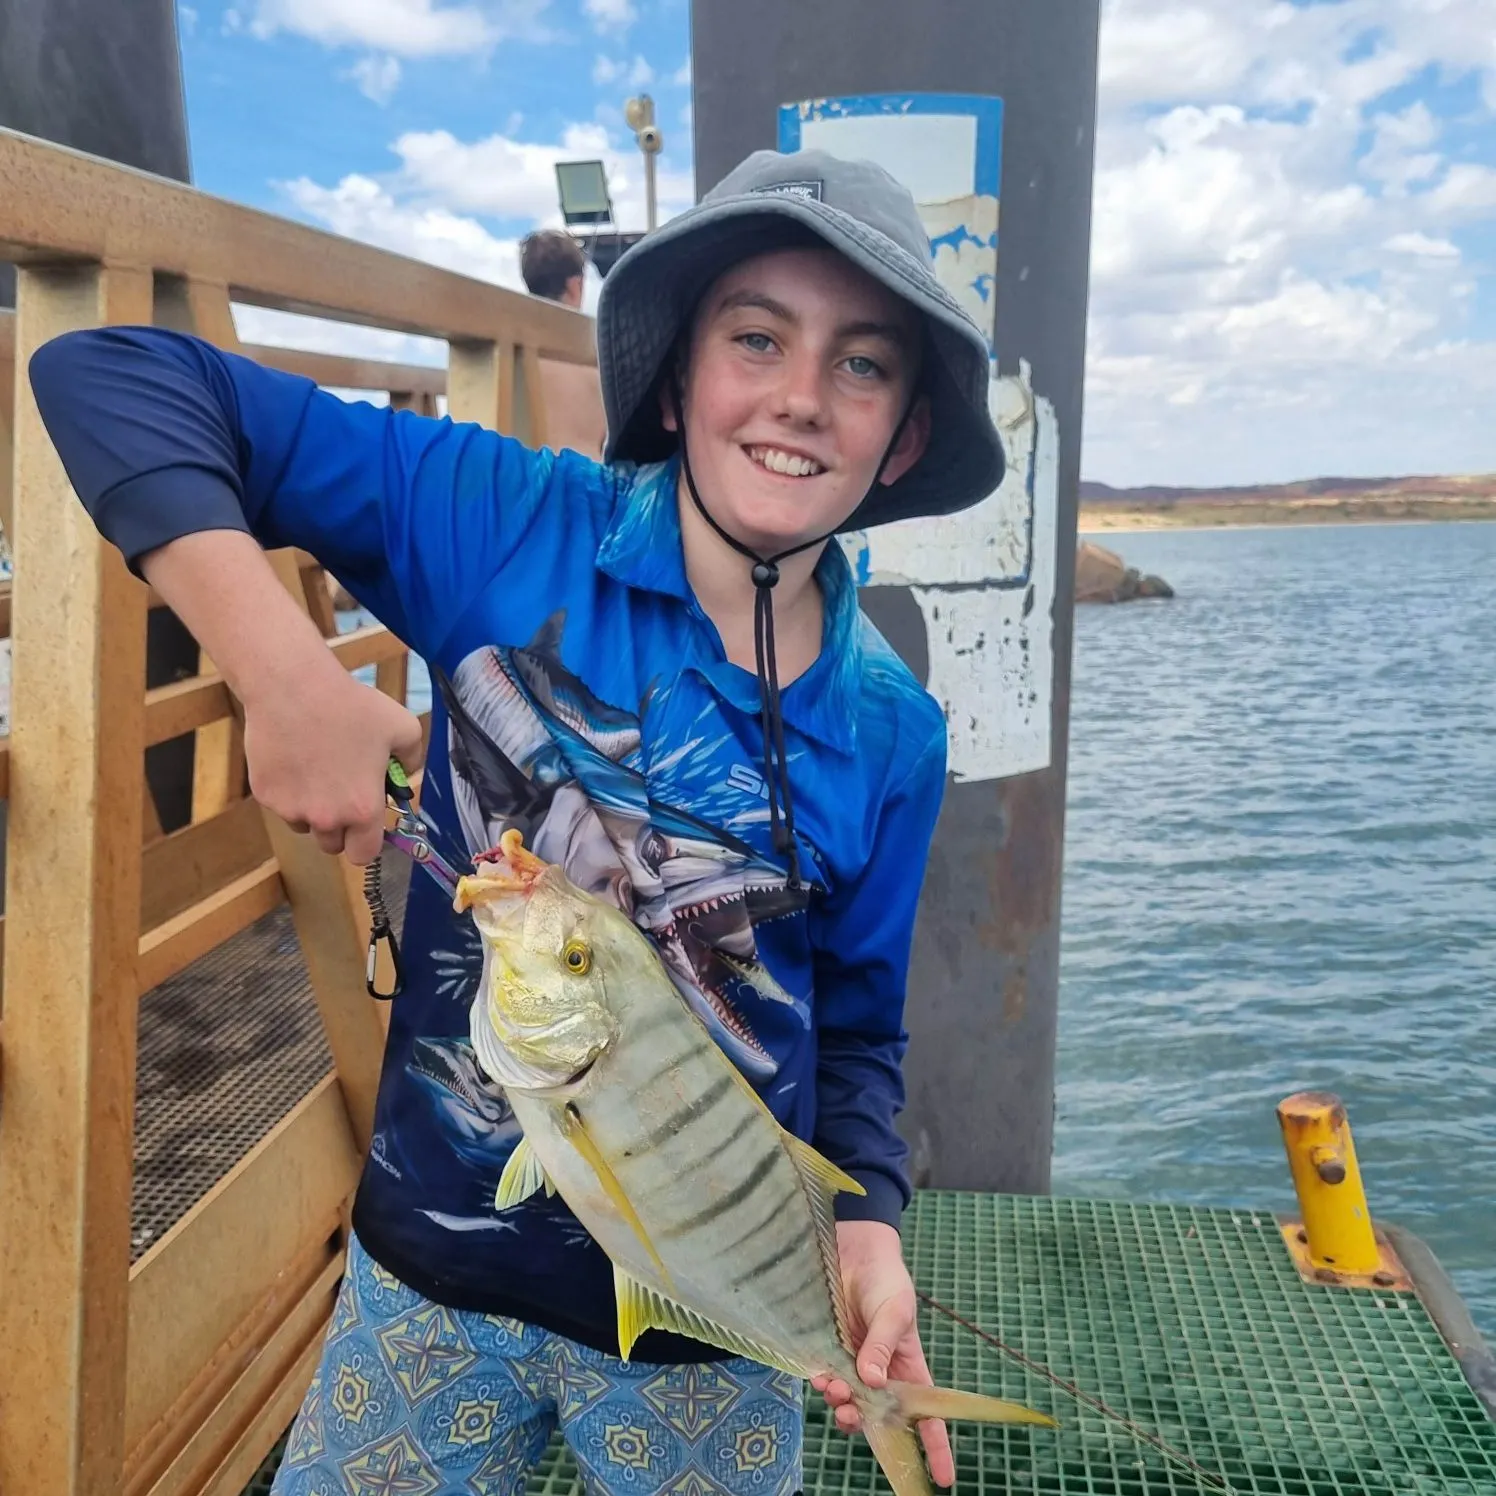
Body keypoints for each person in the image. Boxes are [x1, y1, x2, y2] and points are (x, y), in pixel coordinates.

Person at [29, 146, 1004, 1495]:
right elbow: (108, 375)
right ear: (677, 374)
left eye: (862, 363)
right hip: (430, 1279)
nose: (798, 398)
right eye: (757, 338)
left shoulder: (895, 732)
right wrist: (281, 670)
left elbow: (859, 1023)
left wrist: (868, 1227)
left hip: (714, 1331)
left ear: (904, 431)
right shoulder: (501, 522)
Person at [520, 227, 608, 461]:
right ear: (575, 286)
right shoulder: (596, 356)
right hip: (585, 485)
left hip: (520, 484)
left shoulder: (513, 354)